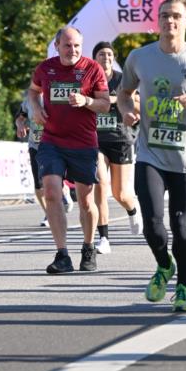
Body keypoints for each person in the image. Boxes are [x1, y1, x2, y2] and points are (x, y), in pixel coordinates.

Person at [117, 0, 186, 312]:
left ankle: (184, 288)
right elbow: (124, 93)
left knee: (182, 225)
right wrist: (126, 112)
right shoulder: (140, 57)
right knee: (151, 222)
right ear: (158, 21)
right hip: (150, 153)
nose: (170, 21)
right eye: (164, 16)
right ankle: (164, 264)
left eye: (176, 16)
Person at [28, 26, 110, 274]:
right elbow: (33, 91)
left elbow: (105, 105)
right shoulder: (46, 68)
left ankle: (87, 246)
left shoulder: (92, 68)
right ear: (57, 46)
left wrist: (87, 101)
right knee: (52, 191)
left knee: (86, 200)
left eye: (76, 46)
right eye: (67, 45)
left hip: (83, 143)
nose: (72, 50)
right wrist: (34, 107)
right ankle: (62, 254)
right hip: (52, 141)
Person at [91, 41, 142, 254]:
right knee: (100, 184)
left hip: (121, 139)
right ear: (95, 58)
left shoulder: (123, 80)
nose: (106, 58)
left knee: (120, 193)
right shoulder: (88, 80)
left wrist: (112, 100)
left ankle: (132, 209)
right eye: (102, 54)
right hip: (95, 140)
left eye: (110, 55)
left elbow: (139, 104)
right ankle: (104, 238)